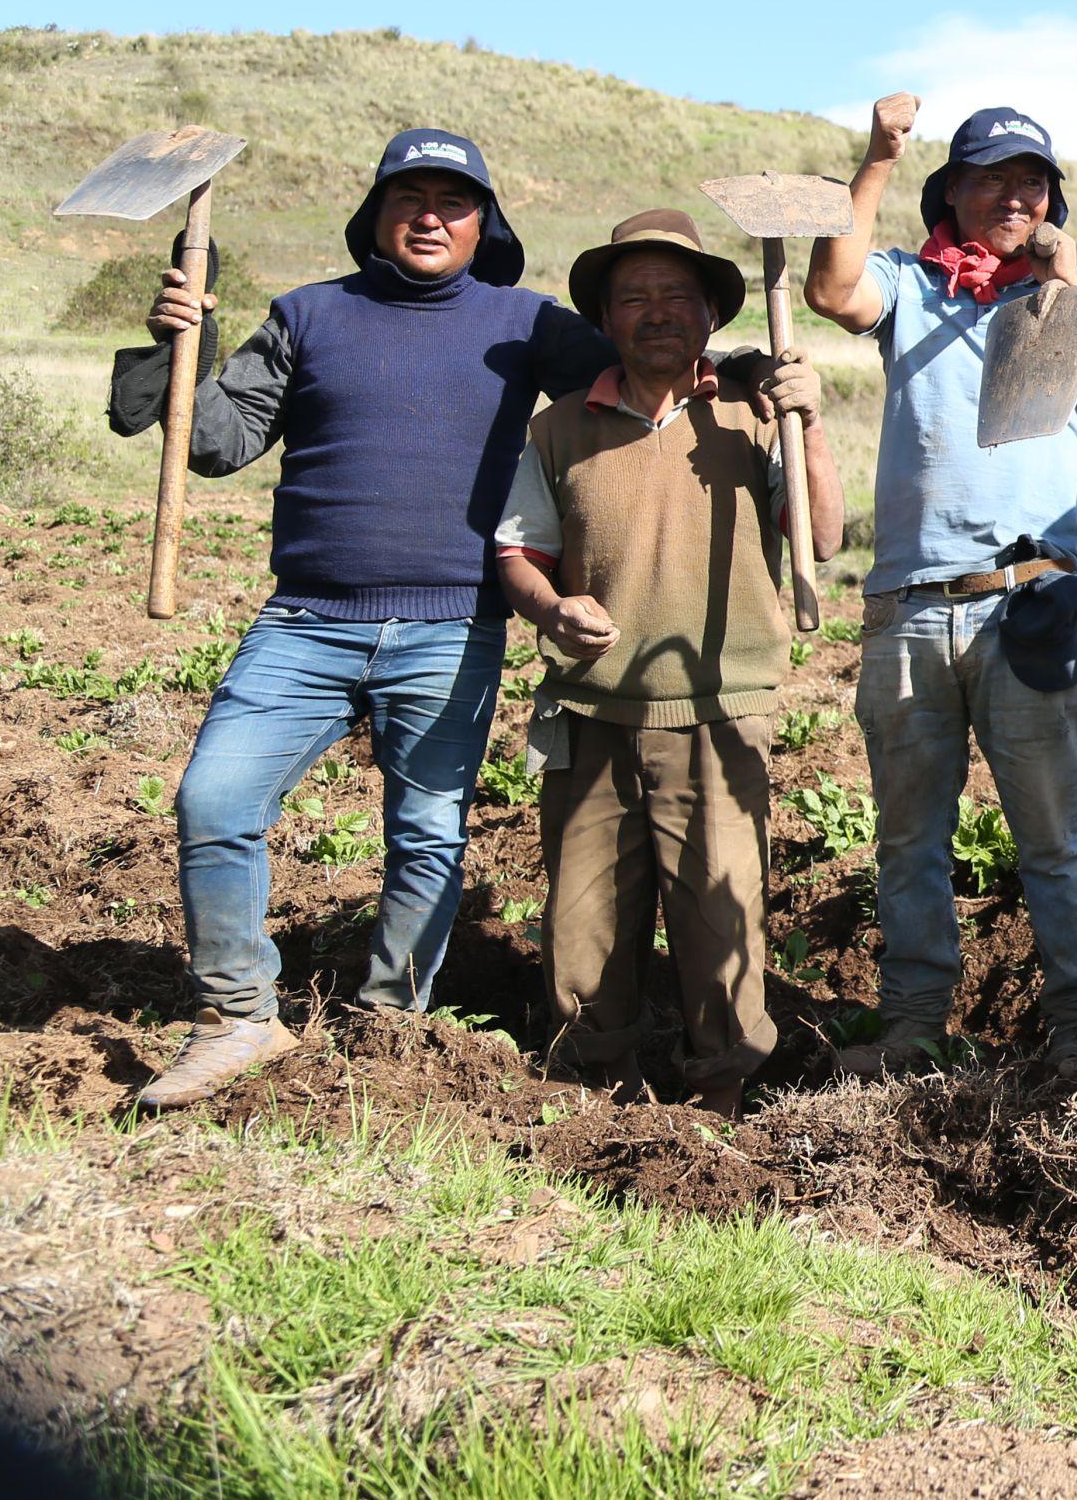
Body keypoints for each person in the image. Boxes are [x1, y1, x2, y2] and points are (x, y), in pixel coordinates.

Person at [110, 132, 630, 1109]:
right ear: (376, 214)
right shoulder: (308, 315)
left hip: (451, 625)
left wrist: (741, 375)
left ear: (487, 224)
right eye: (409, 196)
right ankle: (236, 1018)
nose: (430, 215)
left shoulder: (527, 324)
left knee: (426, 835)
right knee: (214, 804)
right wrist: (182, 346)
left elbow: (641, 379)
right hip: (307, 620)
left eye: (454, 199)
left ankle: (387, 1026)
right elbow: (218, 444)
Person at [802, 95, 1077, 1084]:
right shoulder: (907, 283)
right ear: (952, 195)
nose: (1013, 197)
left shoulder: (1071, 286)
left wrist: (1074, 292)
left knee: (1054, 838)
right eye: (989, 180)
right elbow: (831, 290)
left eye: (1031, 182)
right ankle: (915, 1023)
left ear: (1051, 200)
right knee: (907, 840)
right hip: (911, 603)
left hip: (1032, 600)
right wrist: (877, 156)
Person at [493, 210, 843, 1119]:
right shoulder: (558, 429)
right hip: (592, 711)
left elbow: (826, 532)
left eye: (676, 297)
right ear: (606, 318)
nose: (656, 314)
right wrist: (550, 604)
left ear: (710, 314)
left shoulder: (751, 416)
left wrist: (809, 424)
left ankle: (719, 1096)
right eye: (634, 298)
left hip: (719, 709)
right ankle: (591, 1094)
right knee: (583, 921)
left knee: (718, 917)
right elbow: (517, 553)